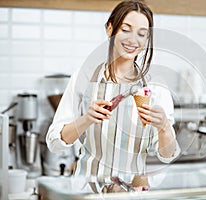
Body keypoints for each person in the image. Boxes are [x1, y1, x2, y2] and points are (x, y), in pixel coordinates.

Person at [46, 0, 180, 193]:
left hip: (133, 194)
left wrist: (164, 126)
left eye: (142, 34)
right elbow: (54, 143)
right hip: (86, 192)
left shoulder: (156, 89)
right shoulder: (84, 78)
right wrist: (86, 120)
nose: (133, 40)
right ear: (110, 29)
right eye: (126, 29)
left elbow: (167, 156)